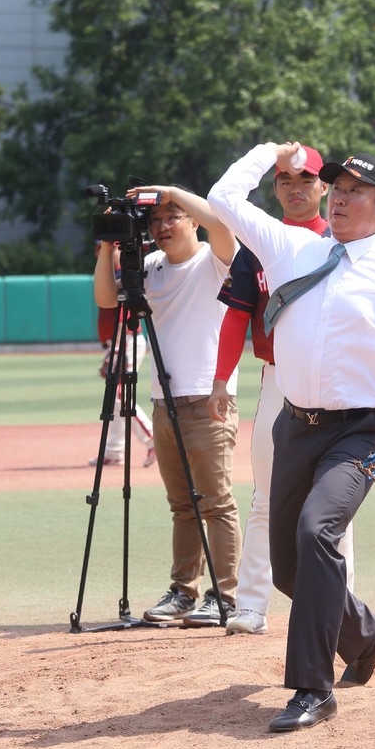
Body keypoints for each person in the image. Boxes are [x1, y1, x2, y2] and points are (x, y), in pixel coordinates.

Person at [208, 142, 375, 731]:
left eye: (358, 191)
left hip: (362, 431)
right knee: (288, 570)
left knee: (316, 530)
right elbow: (224, 198)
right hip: (294, 426)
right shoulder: (292, 245)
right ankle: (369, 633)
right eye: (340, 187)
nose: (343, 197)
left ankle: (311, 689)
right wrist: (268, 151)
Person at [207, 146, 355, 638]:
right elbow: (236, 315)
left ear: (322, 187)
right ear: (274, 188)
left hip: (332, 384)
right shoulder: (259, 243)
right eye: (286, 180)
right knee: (267, 497)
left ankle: (342, 606)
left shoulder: (347, 239)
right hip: (277, 378)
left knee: (336, 499)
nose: (297, 188)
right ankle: (249, 605)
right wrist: (221, 379)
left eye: (306, 179)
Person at [94, 187, 242, 627]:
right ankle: (183, 591)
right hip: (164, 399)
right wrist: (107, 246)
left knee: (215, 502)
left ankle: (225, 595)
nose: (161, 226)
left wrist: (171, 191)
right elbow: (106, 299)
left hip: (208, 398)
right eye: (155, 219)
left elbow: (221, 223)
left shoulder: (214, 261)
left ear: (191, 220)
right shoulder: (151, 267)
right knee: (182, 505)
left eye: (171, 216)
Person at [90, 241, 156, 469]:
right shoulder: (107, 275)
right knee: (116, 397)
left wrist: (114, 352)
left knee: (120, 396)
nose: (104, 251)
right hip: (120, 342)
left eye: (110, 247)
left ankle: (152, 439)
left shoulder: (121, 276)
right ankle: (113, 451)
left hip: (126, 340)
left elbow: (122, 319)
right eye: (99, 248)